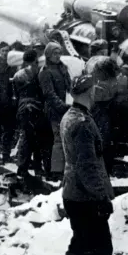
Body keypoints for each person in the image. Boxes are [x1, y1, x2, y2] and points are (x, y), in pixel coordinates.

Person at [60, 75, 123, 255]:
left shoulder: (70, 116)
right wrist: (100, 197)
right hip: (86, 195)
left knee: (79, 242)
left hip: (73, 191)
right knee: (96, 245)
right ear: (90, 92)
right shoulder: (83, 123)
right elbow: (88, 165)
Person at [13, 49, 51, 177]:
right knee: (38, 138)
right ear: (35, 60)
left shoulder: (18, 75)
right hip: (36, 107)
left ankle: (23, 168)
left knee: (26, 138)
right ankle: (36, 168)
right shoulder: (38, 73)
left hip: (23, 108)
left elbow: (15, 94)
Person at [39, 42, 71, 180]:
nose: (58, 56)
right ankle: (57, 172)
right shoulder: (45, 71)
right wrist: (63, 106)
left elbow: (69, 87)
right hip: (53, 111)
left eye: (59, 53)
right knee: (58, 140)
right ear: (48, 55)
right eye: (55, 53)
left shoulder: (63, 68)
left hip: (65, 107)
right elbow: (49, 94)